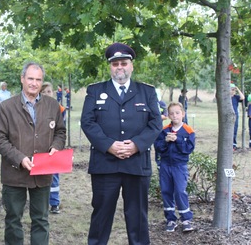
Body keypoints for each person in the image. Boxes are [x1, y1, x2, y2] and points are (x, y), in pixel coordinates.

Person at [80, 42, 162, 245]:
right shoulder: (95, 91)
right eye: (115, 64)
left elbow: (155, 124)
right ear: (110, 67)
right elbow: (87, 122)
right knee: (101, 216)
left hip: (136, 164)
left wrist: (135, 145)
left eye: (124, 63)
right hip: (105, 164)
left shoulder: (147, 92)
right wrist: (109, 145)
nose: (120, 67)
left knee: (138, 219)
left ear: (131, 66)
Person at [0, 62, 66, 245]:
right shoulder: (7, 107)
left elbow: (60, 132)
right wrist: (20, 158)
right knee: (13, 220)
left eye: (38, 79)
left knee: (41, 219)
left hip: (42, 173)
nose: (34, 83)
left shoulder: (52, 105)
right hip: (14, 173)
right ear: (22, 79)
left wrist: (56, 146)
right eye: (30, 78)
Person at [154, 102, 195, 232]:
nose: (174, 115)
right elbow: (158, 147)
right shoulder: (164, 130)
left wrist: (177, 140)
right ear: (168, 115)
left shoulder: (188, 131)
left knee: (180, 191)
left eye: (177, 113)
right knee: (166, 191)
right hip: (166, 165)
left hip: (179, 166)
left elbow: (188, 149)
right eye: (171, 113)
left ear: (183, 114)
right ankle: (171, 219)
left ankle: (186, 219)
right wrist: (166, 141)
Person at [40, 82, 67, 214]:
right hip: (39, 149)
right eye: (43, 92)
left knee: (54, 176)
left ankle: (54, 203)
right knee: (40, 176)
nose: (46, 94)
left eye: (49, 91)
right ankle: (42, 203)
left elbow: (61, 131)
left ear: (54, 93)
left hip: (53, 149)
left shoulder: (60, 109)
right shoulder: (35, 108)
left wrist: (56, 146)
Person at [231, 83, 244, 150]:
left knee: (234, 130)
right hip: (227, 116)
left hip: (235, 115)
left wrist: (238, 89)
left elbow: (242, 97)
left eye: (234, 90)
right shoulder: (226, 97)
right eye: (232, 89)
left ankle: (234, 145)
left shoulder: (236, 97)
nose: (233, 91)